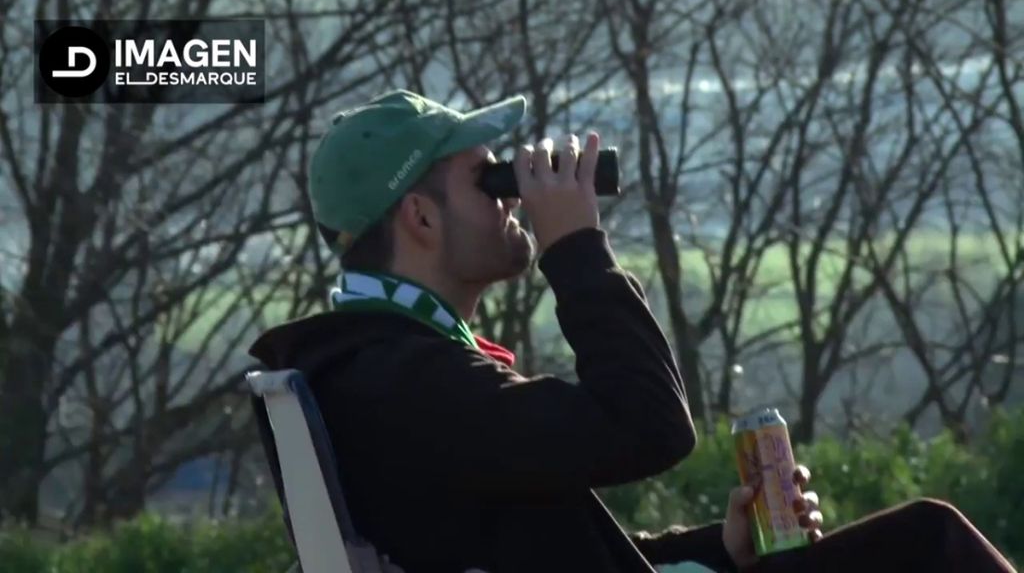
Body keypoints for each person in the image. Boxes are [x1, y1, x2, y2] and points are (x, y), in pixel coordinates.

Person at [248, 89, 1016, 573]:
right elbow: (653, 428)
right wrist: (577, 249)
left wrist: (718, 550)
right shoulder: (405, 381)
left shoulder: (372, 370)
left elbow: (550, 551)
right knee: (928, 545)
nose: (512, 200)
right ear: (418, 217)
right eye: (489, 181)